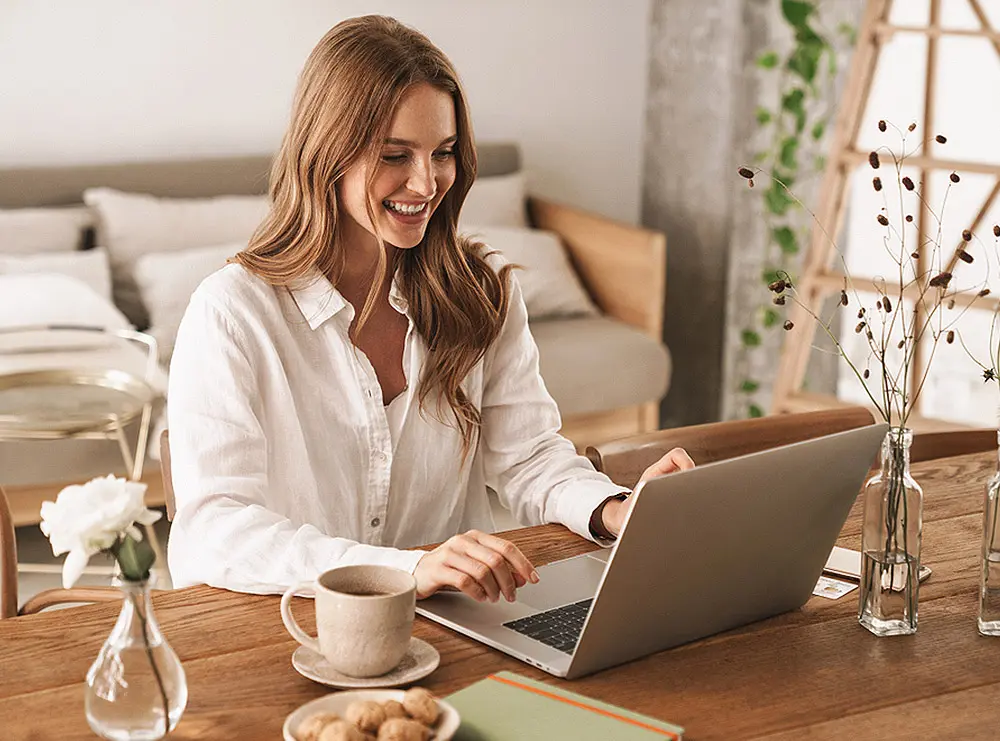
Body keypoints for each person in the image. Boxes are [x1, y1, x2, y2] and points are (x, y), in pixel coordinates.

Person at [166, 15, 694, 602]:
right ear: (327, 151)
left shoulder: (482, 290)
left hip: (457, 626)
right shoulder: (233, 313)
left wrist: (615, 509)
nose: (426, 183)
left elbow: (526, 455)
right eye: (395, 155)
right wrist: (401, 569)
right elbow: (216, 528)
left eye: (442, 153)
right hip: (285, 629)